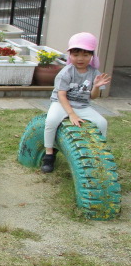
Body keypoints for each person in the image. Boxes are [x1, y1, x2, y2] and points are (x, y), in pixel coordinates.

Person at [41, 32, 111, 173]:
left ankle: (99, 152)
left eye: (85, 55)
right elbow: (61, 95)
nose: (80, 59)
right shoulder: (65, 72)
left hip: (83, 105)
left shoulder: (94, 73)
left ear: (92, 56)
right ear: (70, 55)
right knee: (51, 121)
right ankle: (49, 153)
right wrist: (71, 114)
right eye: (76, 54)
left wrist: (96, 86)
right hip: (61, 103)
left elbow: (93, 97)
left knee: (102, 122)